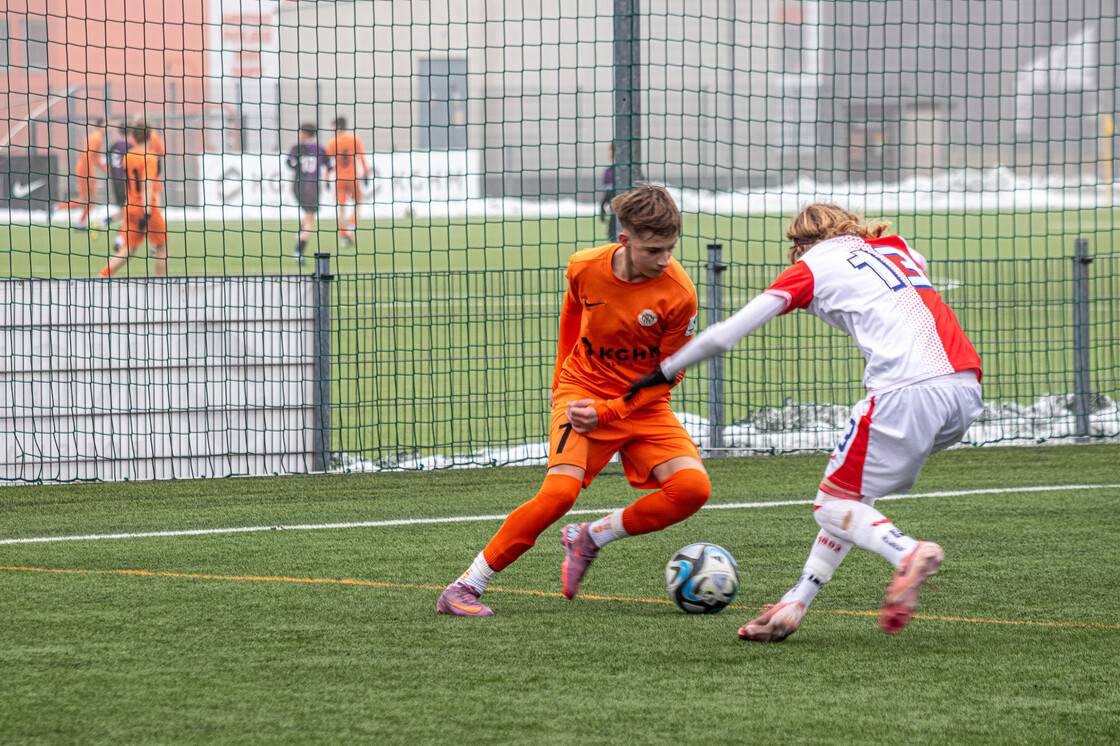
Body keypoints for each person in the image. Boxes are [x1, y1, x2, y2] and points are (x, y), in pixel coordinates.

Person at [629, 203, 984, 639]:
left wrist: (661, 373)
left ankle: (909, 554)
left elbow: (726, 334)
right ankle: (795, 603)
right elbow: (915, 269)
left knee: (832, 506)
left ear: (801, 244)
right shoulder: (895, 247)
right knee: (853, 500)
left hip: (904, 389)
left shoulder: (811, 266)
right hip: (964, 389)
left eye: (793, 248)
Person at [437, 183, 711, 616]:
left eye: (671, 248)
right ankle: (465, 587)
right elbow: (571, 313)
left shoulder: (679, 294)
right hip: (582, 392)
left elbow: (667, 375)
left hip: (642, 403)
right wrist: (561, 386)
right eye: (654, 249)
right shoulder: (585, 266)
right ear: (625, 240)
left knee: (693, 489)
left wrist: (611, 411)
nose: (665, 259)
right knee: (559, 493)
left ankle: (590, 537)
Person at [98, 120, 168, 277]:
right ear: (150, 136)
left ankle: (101, 276)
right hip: (146, 207)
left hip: (130, 207)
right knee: (162, 247)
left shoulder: (127, 157)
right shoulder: (149, 158)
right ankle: (162, 288)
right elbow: (147, 186)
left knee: (128, 250)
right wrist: (148, 212)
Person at [286, 123, 330, 265]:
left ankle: (300, 235)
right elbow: (329, 166)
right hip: (311, 187)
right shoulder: (320, 149)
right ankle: (299, 251)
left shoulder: (296, 148)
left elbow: (289, 163)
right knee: (310, 218)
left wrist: (297, 165)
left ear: (304, 133)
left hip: (298, 186)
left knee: (307, 215)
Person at [54, 118, 107, 231]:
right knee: (86, 201)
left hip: (85, 169)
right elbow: (88, 155)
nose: (106, 129)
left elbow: (95, 158)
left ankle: (80, 223)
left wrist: (106, 169)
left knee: (91, 200)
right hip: (85, 171)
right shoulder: (97, 138)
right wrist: (90, 175)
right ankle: (57, 207)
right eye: (105, 126)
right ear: (100, 126)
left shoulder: (96, 137)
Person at [324, 116, 369, 248]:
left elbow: (328, 163)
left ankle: (344, 236)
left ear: (336, 127)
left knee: (341, 209)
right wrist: (366, 174)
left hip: (339, 179)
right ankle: (351, 228)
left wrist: (327, 179)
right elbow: (361, 157)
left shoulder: (332, 142)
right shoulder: (354, 139)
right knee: (357, 204)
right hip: (353, 178)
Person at [105, 122, 132, 227]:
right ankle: (121, 237)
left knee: (123, 210)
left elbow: (105, 161)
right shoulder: (130, 147)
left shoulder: (113, 146)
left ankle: (103, 223)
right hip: (126, 181)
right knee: (129, 210)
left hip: (115, 181)